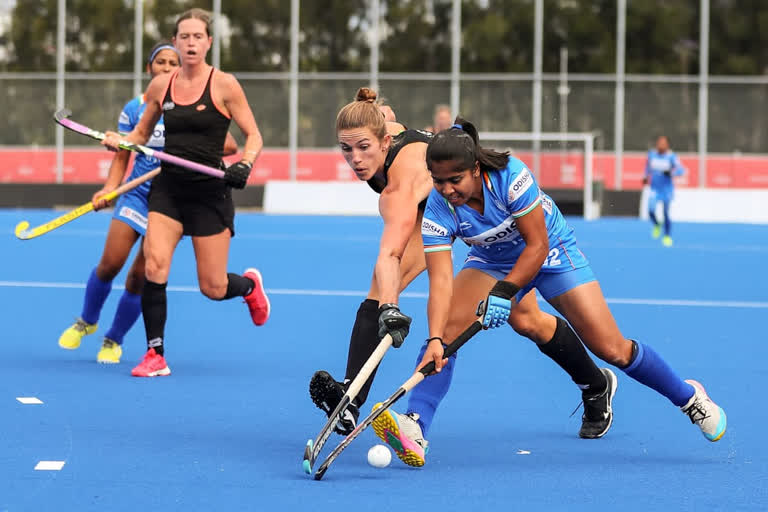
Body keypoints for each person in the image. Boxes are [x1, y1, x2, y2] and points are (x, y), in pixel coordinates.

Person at [371, 120, 726, 467]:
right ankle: (415, 425)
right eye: (438, 181)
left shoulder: (511, 176)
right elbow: (442, 282)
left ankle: (689, 397)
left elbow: (537, 246)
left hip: (551, 252)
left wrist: (504, 292)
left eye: (455, 180)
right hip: (492, 259)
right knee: (450, 332)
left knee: (611, 348)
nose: (447, 190)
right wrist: (435, 338)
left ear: (476, 168)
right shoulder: (438, 207)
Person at [310, 88, 615, 440]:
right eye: (346, 149)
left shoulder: (400, 188)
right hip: (443, 214)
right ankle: (596, 383)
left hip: (462, 215)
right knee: (528, 320)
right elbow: (387, 115)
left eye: (363, 147)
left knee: (381, 292)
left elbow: (390, 254)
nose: (356, 159)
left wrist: (390, 308)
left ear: (382, 140)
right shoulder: (382, 124)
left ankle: (351, 399)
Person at [101, 8, 270, 377]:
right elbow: (141, 135)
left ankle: (248, 287)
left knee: (213, 285)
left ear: (208, 43)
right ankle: (155, 354)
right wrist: (120, 142)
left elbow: (253, 135)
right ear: (176, 42)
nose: (191, 42)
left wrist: (246, 163)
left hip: (210, 194)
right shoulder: (162, 86)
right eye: (184, 37)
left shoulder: (225, 85)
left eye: (198, 37)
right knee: (154, 265)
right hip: (168, 192)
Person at [58, 42, 235, 363]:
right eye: (161, 62)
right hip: (136, 195)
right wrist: (110, 188)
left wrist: (188, 148)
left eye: (173, 62)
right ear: (150, 69)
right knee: (111, 262)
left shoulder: (191, 106)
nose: (167, 67)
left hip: (172, 197)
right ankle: (87, 321)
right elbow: (124, 151)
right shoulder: (136, 107)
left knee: (142, 275)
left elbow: (230, 146)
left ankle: (113, 340)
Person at [643, 135, 684, 247]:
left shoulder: (671, 156)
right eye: (659, 143)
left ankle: (667, 236)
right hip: (654, 189)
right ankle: (657, 224)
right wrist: (645, 176)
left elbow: (681, 170)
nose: (661, 145)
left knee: (666, 212)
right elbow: (647, 168)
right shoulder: (652, 155)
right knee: (650, 210)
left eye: (663, 143)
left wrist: (671, 173)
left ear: (667, 145)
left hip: (666, 190)